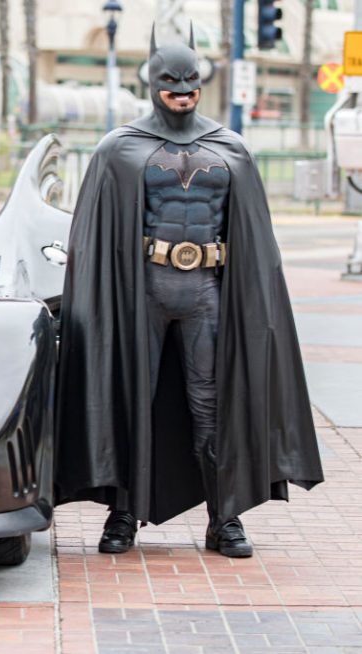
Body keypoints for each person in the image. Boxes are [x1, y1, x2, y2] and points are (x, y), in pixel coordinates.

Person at [54, 26, 324, 558]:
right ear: (152, 83)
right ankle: (123, 513)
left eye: (191, 83)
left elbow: (255, 241)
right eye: (171, 83)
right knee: (132, 397)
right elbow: (91, 236)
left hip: (207, 290)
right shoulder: (121, 148)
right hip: (143, 291)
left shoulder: (230, 148)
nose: (182, 92)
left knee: (211, 406)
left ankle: (224, 518)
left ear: (203, 85)